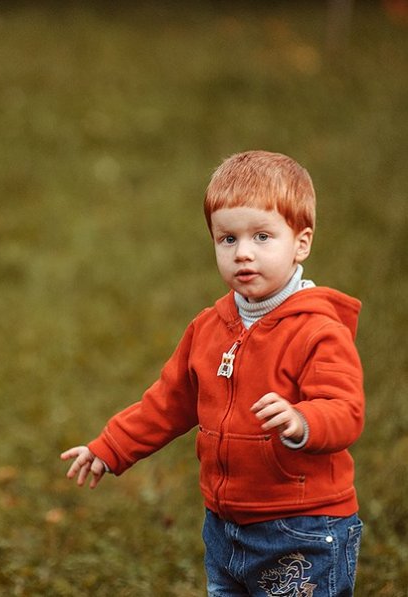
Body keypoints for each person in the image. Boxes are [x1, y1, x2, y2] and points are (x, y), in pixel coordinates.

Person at [61, 151, 365, 596]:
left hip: (302, 528)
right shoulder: (209, 327)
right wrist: (111, 447)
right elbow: (169, 401)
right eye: (227, 239)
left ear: (301, 242)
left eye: (262, 236)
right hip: (225, 530)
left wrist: (303, 421)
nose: (243, 253)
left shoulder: (318, 331)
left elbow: (345, 409)